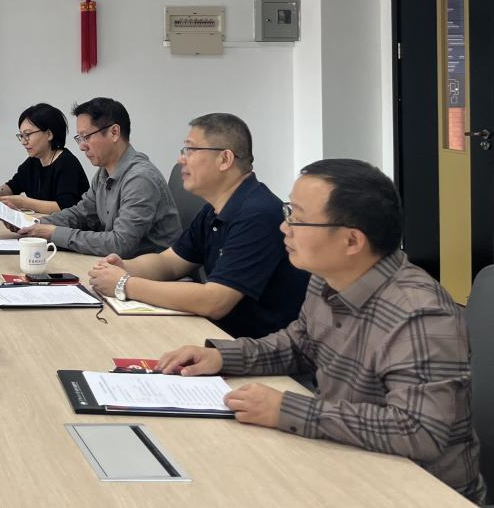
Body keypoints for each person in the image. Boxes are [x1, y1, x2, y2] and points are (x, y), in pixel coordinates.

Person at [157, 159, 484, 503]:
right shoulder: (326, 278)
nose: (284, 228)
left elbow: (417, 430)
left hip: (414, 491)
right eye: (288, 212)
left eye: (297, 218)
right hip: (346, 462)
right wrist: (222, 356)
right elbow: (300, 345)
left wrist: (288, 409)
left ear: (352, 240)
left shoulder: (420, 314)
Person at [87, 113, 308, 337]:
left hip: (254, 346)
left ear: (225, 159)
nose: (180, 160)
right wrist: (124, 267)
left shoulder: (257, 214)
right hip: (217, 334)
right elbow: (170, 262)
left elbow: (215, 301)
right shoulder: (214, 209)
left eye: (190, 150)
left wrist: (124, 284)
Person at [18, 97, 178, 257]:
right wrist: (34, 224)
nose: (82, 146)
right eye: (79, 138)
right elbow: (81, 214)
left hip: (149, 270)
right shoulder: (104, 173)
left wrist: (54, 233)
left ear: (114, 132)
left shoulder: (140, 179)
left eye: (86, 137)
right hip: (117, 264)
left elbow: (120, 244)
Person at [0, 103, 87, 213]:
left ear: (49, 134)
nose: (23, 142)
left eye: (27, 134)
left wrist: (24, 202)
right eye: (21, 136)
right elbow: (13, 186)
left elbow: (65, 207)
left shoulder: (67, 163)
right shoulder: (33, 161)